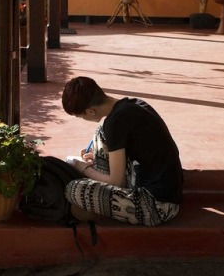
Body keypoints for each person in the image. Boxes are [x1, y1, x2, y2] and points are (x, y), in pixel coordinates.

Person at [61, 76, 183, 226]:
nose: (81, 118)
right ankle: (105, 199)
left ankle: (106, 208)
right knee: (100, 133)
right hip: (166, 192)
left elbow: (116, 181)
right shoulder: (134, 104)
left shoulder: (114, 124)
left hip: (157, 206)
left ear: (91, 111)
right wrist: (99, 157)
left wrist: (82, 167)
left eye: (80, 116)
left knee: (73, 190)